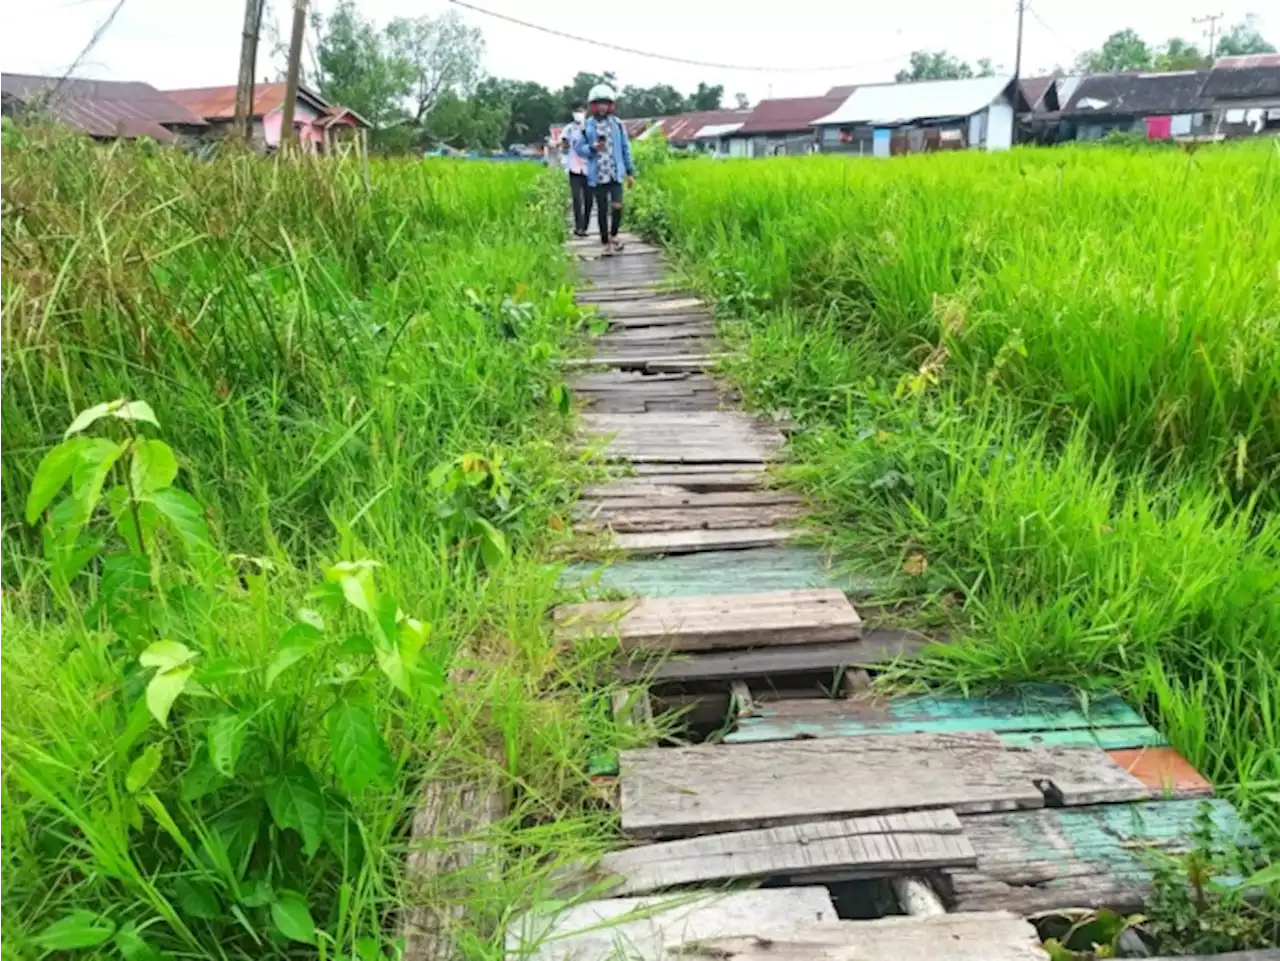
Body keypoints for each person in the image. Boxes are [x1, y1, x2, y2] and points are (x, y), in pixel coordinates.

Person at [572, 84, 635, 255]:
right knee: (601, 210)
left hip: (615, 173)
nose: (602, 107)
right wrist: (592, 148)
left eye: (605, 103)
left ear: (610, 105)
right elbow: (578, 147)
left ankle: (614, 234)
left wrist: (630, 172)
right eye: (598, 103)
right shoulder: (587, 126)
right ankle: (605, 242)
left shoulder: (617, 124)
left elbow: (625, 148)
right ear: (593, 106)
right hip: (598, 175)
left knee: (617, 206)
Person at [562, 102, 591, 237]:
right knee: (577, 199)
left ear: (585, 112)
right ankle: (578, 227)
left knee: (588, 199)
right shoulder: (568, 129)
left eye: (581, 111)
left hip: (589, 168)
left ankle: (585, 226)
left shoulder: (590, 126)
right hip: (574, 168)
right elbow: (564, 144)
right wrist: (565, 145)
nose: (579, 114)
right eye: (576, 111)